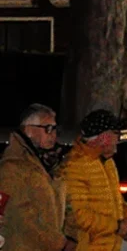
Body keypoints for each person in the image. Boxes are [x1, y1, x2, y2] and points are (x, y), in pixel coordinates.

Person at [59, 110, 127, 251]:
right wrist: (117, 226)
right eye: (116, 134)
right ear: (104, 137)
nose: (118, 139)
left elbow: (117, 202)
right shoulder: (75, 165)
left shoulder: (108, 163)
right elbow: (78, 215)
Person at [0, 104, 73, 251]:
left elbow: (65, 206)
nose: (53, 135)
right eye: (48, 128)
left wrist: (71, 236)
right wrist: (59, 244)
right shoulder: (13, 168)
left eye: (54, 129)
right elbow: (20, 217)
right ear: (29, 130)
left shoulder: (48, 165)